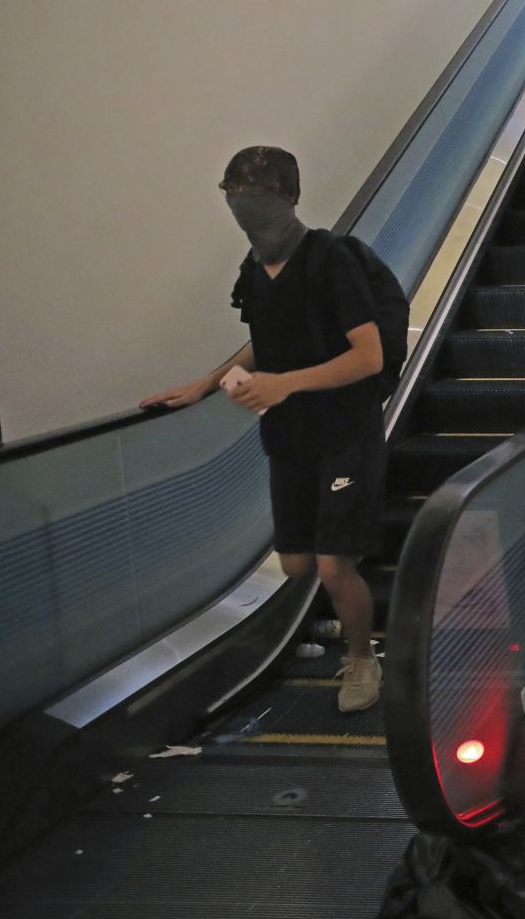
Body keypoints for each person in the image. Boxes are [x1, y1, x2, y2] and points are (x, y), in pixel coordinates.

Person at [141, 146, 386, 712]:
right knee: (296, 562)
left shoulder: (331, 260)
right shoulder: (255, 269)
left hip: (345, 431)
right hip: (289, 433)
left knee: (333, 562)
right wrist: (207, 382)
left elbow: (369, 356)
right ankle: (317, 631)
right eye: (234, 195)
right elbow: (265, 341)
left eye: (258, 196)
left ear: (289, 197)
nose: (244, 207)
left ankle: (361, 659)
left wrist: (286, 384)